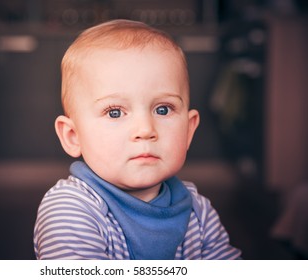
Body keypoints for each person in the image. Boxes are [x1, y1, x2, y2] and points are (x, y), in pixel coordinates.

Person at [33, 19, 241, 260]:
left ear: (188, 130)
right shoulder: (70, 210)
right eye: (114, 112)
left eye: (163, 109)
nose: (145, 130)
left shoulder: (199, 211)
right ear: (72, 136)